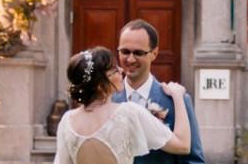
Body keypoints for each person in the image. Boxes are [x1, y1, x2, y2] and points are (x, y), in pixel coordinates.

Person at [55, 46, 191, 164]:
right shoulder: (127, 113)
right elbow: (183, 145)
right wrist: (178, 97)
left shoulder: (67, 121)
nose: (121, 70)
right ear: (101, 86)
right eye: (114, 70)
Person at [113, 19, 204, 164]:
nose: (130, 59)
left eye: (138, 53)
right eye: (125, 51)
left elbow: (193, 160)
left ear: (154, 53)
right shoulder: (107, 100)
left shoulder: (176, 100)